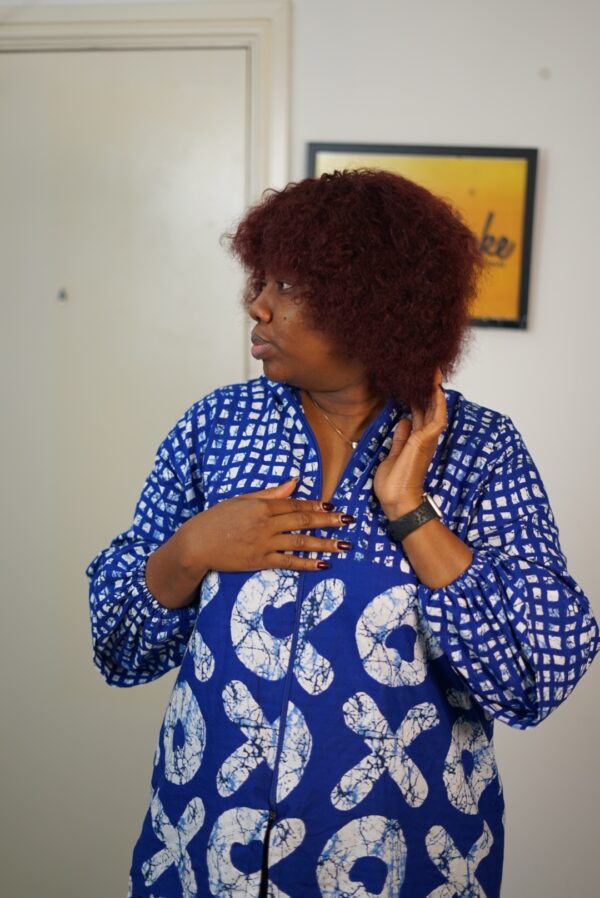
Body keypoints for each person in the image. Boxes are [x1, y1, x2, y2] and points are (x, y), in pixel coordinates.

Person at [86, 169, 599, 898]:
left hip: (402, 862)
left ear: (372, 303)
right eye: (262, 279)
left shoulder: (480, 450)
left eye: (288, 285)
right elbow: (117, 643)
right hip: (206, 854)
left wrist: (410, 511)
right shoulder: (216, 427)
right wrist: (193, 547)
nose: (257, 305)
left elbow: (535, 672)